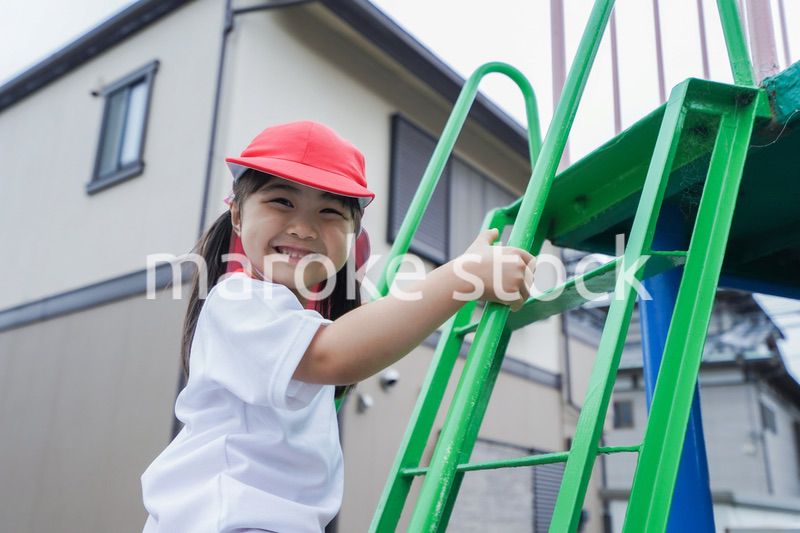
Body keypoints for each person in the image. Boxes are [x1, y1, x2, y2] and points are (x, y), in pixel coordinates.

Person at [140, 120, 536, 532]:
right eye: (281, 202)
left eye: (329, 211)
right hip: (224, 519)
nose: (303, 227)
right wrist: (461, 278)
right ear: (238, 216)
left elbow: (369, 332)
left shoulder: (295, 317)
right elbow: (332, 354)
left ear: (352, 233)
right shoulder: (236, 300)